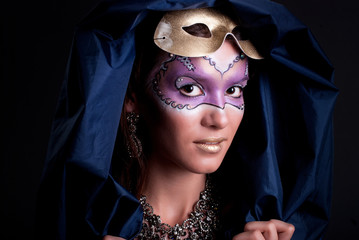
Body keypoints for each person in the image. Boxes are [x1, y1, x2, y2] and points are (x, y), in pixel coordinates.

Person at [35, 0, 338, 240]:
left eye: (234, 89)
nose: (219, 117)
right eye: (190, 88)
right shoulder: (92, 222)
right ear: (132, 97)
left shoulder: (259, 226)